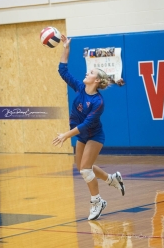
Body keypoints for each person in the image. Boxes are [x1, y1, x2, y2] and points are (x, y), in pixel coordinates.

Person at [53, 35, 125, 221]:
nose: (87, 73)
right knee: (84, 167)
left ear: (96, 80)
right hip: (82, 135)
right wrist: (66, 48)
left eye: (90, 72)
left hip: (94, 135)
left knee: (85, 169)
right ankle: (111, 179)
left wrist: (65, 135)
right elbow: (63, 71)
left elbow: (85, 125)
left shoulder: (98, 102)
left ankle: (97, 201)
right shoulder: (79, 88)